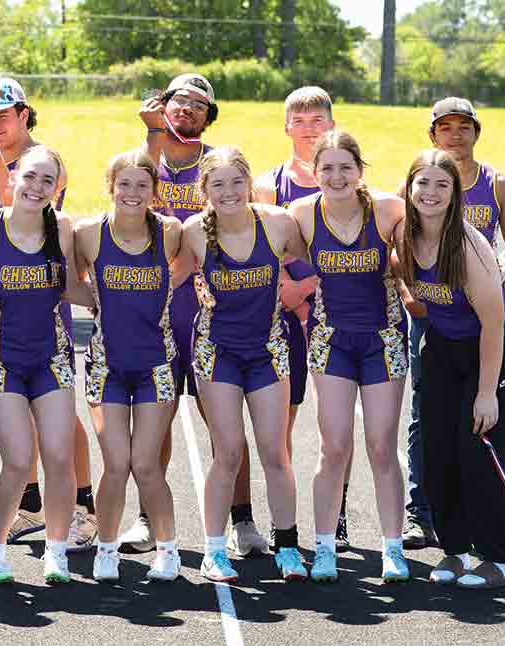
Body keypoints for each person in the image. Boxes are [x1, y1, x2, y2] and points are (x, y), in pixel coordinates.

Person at [0, 78, 97, 552]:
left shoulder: (44, 163)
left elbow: (17, 200)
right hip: (4, 301)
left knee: (60, 421)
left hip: (47, 304)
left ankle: (84, 509)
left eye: (4, 116)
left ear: (26, 113)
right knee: (22, 423)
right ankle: (30, 504)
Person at [123, 74, 270, 557]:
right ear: (161, 108)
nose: (185, 109)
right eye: (177, 101)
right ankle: (148, 520)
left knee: (226, 429)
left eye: (197, 104)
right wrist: (150, 134)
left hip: (215, 318)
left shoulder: (219, 169)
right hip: (157, 316)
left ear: (209, 116)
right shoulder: (143, 165)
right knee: (154, 425)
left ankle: (243, 520)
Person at [396, 149, 505, 589]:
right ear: (410, 188)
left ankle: (498, 561)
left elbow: (493, 325)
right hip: (444, 347)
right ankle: (454, 552)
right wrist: (408, 297)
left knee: (478, 452)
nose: (431, 192)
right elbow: (403, 280)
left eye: (443, 184)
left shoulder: (469, 245)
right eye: (424, 183)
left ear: (456, 194)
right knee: (438, 452)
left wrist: (486, 393)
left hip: (499, 350)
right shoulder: (403, 235)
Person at [173, 146, 307, 582]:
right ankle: (214, 550)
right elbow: (164, 276)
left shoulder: (278, 223)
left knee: (275, 451)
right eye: (218, 184)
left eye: (236, 182)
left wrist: (300, 291)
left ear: (250, 183)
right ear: (204, 189)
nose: (228, 192)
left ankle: (288, 546)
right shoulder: (193, 231)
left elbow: (321, 262)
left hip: (268, 350)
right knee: (228, 452)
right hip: (218, 353)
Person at [288, 130, 410, 583]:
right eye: (327, 168)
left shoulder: (389, 210)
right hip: (330, 342)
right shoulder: (299, 215)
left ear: (360, 169)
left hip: (383, 340)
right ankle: (324, 547)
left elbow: (427, 247)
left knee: (381, 446)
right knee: (334, 446)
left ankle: (392, 547)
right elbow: (283, 262)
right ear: (312, 172)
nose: (336, 176)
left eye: (346, 167)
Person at [252, 85, 355, 553]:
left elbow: (360, 250)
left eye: (318, 120)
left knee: (336, 427)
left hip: (341, 314)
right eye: (300, 120)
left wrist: (310, 289)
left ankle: (338, 512)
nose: (310, 128)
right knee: (284, 422)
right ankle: (285, 517)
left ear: (331, 124)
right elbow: (262, 251)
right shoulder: (271, 184)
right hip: (287, 316)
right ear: (286, 126)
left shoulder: (349, 181)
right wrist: (292, 298)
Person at [76, 150, 183, 583]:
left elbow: (189, 267)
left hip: (156, 364)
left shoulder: (171, 233)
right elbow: (69, 280)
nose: (133, 193)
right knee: (116, 464)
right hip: (108, 366)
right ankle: (106, 548)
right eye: (125, 184)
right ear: (111, 186)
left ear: (154, 191)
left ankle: (169, 550)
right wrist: (95, 299)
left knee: (147, 465)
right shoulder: (89, 235)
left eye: (143, 185)